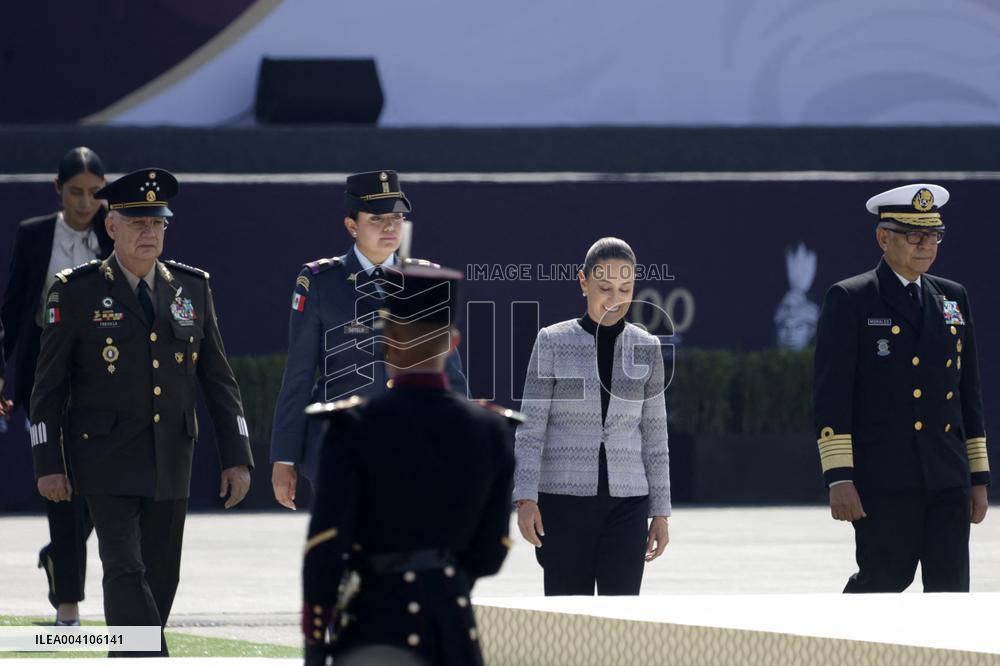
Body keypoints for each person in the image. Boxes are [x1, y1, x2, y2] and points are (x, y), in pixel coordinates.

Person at [29, 168, 254, 656]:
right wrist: (49, 463)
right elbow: (47, 389)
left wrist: (237, 457)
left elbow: (219, 380)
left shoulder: (192, 288)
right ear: (112, 227)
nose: (149, 232)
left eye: (157, 222)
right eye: (136, 222)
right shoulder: (77, 291)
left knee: (160, 577)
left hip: (171, 457)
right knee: (124, 569)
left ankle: (130, 653)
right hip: (104, 460)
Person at [301, 260, 516, 666]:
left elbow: (325, 547)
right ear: (452, 343)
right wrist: (443, 580)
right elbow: (491, 552)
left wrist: (316, 642)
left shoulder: (353, 426)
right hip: (451, 629)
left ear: (388, 340)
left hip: (374, 627)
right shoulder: (490, 430)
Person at [814, 183, 990, 593]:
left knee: (951, 592)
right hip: (885, 479)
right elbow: (832, 395)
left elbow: (968, 393)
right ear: (883, 238)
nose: (925, 246)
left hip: (947, 476)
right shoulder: (852, 298)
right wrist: (839, 478)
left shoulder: (952, 297)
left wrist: (978, 477)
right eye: (914, 236)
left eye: (934, 236)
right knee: (882, 584)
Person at [270, 170, 467, 510]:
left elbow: (450, 374)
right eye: (377, 219)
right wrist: (284, 457)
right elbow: (298, 374)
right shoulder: (320, 282)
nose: (390, 227)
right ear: (352, 225)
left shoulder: (426, 280)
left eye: (396, 218)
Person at [512, 237, 671, 596]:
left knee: (622, 616)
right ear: (583, 282)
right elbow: (530, 429)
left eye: (625, 289)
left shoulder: (648, 348)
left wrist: (661, 512)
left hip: (628, 504)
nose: (615, 299)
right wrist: (525, 499)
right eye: (604, 288)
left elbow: (655, 436)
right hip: (562, 503)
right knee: (567, 617)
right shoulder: (552, 341)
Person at [1, 146, 113, 625]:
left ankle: (57, 557)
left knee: (97, 486)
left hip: (106, 377)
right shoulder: (34, 235)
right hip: (44, 375)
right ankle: (69, 606)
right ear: (57, 189)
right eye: (75, 192)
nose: (86, 203)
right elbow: (13, 309)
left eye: (94, 193)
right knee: (61, 484)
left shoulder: (117, 229)